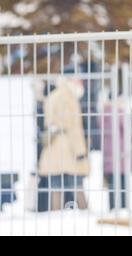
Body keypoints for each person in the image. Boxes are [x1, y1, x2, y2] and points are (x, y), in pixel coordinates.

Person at [38, 76, 88, 211]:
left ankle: (55, 219)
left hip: (53, 144)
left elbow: (47, 122)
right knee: (77, 185)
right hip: (69, 145)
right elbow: (74, 127)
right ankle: (87, 215)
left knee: (55, 188)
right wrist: (80, 151)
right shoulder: (70, 99)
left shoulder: (52, 96)